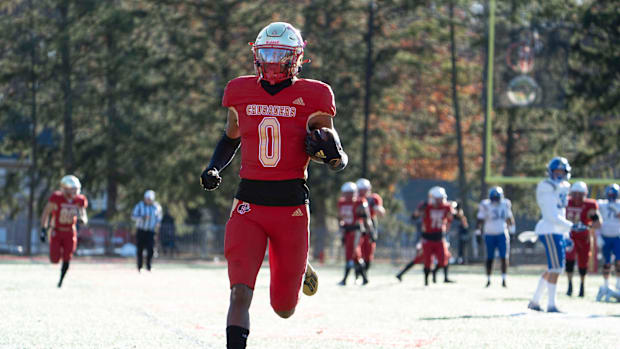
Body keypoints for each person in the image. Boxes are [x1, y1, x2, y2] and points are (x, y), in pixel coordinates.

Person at [199, 22, 348, 349]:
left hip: (291, 207)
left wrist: (335, 157)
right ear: (256, 55)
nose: (271, 62)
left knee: (284, 308)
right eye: (266, 54)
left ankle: (299, 262)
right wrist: (214, 167)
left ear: (296, 58)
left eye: (279, 55)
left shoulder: (316, 95)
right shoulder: (239, 90)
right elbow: (230, 137)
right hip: (248, 205)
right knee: (239, 292)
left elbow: (333, 151)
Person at [528, 157, 572, 313]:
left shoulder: (563, 187)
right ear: (550, 172)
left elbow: (561, 212)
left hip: (557, 230)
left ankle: (535, 300)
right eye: (557, 171)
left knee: (553, 267)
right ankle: (551, 304)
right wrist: (571, 226)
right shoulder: (546, 186)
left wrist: (566, 232)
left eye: (562, 171)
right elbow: (550, 215)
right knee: (556, 268)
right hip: (549, 229)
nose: (559, 175)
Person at [39, 175, 88, 288]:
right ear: (65, 188)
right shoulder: (57, 198)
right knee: (55, 259)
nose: (75, 191)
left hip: (70, 232)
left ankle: (61, 280)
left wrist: (83, 220)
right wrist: (43, 229)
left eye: (76, 189)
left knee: (67, 257)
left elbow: (83, 214)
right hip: (57, 231)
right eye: (73, 189)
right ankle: (56, 256)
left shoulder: (79, 200)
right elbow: (46, 213)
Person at [410, 186, 454, 286]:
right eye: (437, 199)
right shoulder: (426, 206)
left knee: (444, 260)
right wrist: (420, 210)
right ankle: (426, 281)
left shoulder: (446, 207)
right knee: (427, 261)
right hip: (427, 237)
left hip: (439, 237)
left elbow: (452, 216)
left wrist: (454, 212)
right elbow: (414, 216)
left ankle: (435, 272)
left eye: (441, 199)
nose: (439, 201)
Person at [564, 181, 601, 297]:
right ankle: (569, 284)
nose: (577, 197)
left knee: (582, 263)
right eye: (575, 194)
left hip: (584, 238)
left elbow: (598, 223)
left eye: (580, 194)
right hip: (570, 237)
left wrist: (589, 226)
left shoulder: (589, 205)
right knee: (569, 261)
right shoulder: (566, 202)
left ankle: (582, 285)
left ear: (585, 194)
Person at [476, 186, 515, 288]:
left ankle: (504, 279)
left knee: (504, 257)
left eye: (496, 198)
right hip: (489, 233)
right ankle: (488, 279)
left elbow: (509, 218)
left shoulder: (505, 204)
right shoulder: (485, 204)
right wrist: (478, 233)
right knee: (489, 258)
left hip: (502, 233)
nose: (495, 200)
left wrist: (512, 231)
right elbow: (480, 220)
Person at [337, 182, 372, 285]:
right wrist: (341, 229)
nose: (348, 195)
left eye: (350, 193)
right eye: (346, 193)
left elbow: (367, 218)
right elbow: (340, 217)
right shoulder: (341, 203)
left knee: (351, 254)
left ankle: (345, 279)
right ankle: (365, 278)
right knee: (356, 256)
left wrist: (371, 232)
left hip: (356, 230)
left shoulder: (360, 202)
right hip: (347, 231)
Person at [596, 183, 620, 301]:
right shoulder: (602, 204)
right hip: (605, 236)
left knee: (619, 261)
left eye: (613, 194)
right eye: (610, 194)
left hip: (617, 237)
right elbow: (594, 213)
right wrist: (597, 235)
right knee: (606, 263)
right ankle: (605, 285)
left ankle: (618, 284)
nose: (611, 196)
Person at [356, 178, 385, 273]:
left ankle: (365, 272)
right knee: (357, 251)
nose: (363, 192)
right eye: (361, 189)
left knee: (368, 251)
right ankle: (358, 274)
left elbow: (381, 212)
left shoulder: (374, 198)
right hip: (358, 225)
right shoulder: (355, 199)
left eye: (364, 189)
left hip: (370, 225)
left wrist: (377, 208)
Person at [131, 190, 162, 272]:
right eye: (147, 198)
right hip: (141, 230)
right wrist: (142, 218)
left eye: (150, 199)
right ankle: (139, 267)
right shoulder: (139, 205)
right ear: (145, 198)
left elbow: (159, 217)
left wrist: (158, 223)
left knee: (150, 249)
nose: (148, 200)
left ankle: (149, 266)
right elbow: (133, 216)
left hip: (151, 231)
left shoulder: (156, 206)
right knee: (140, 249)